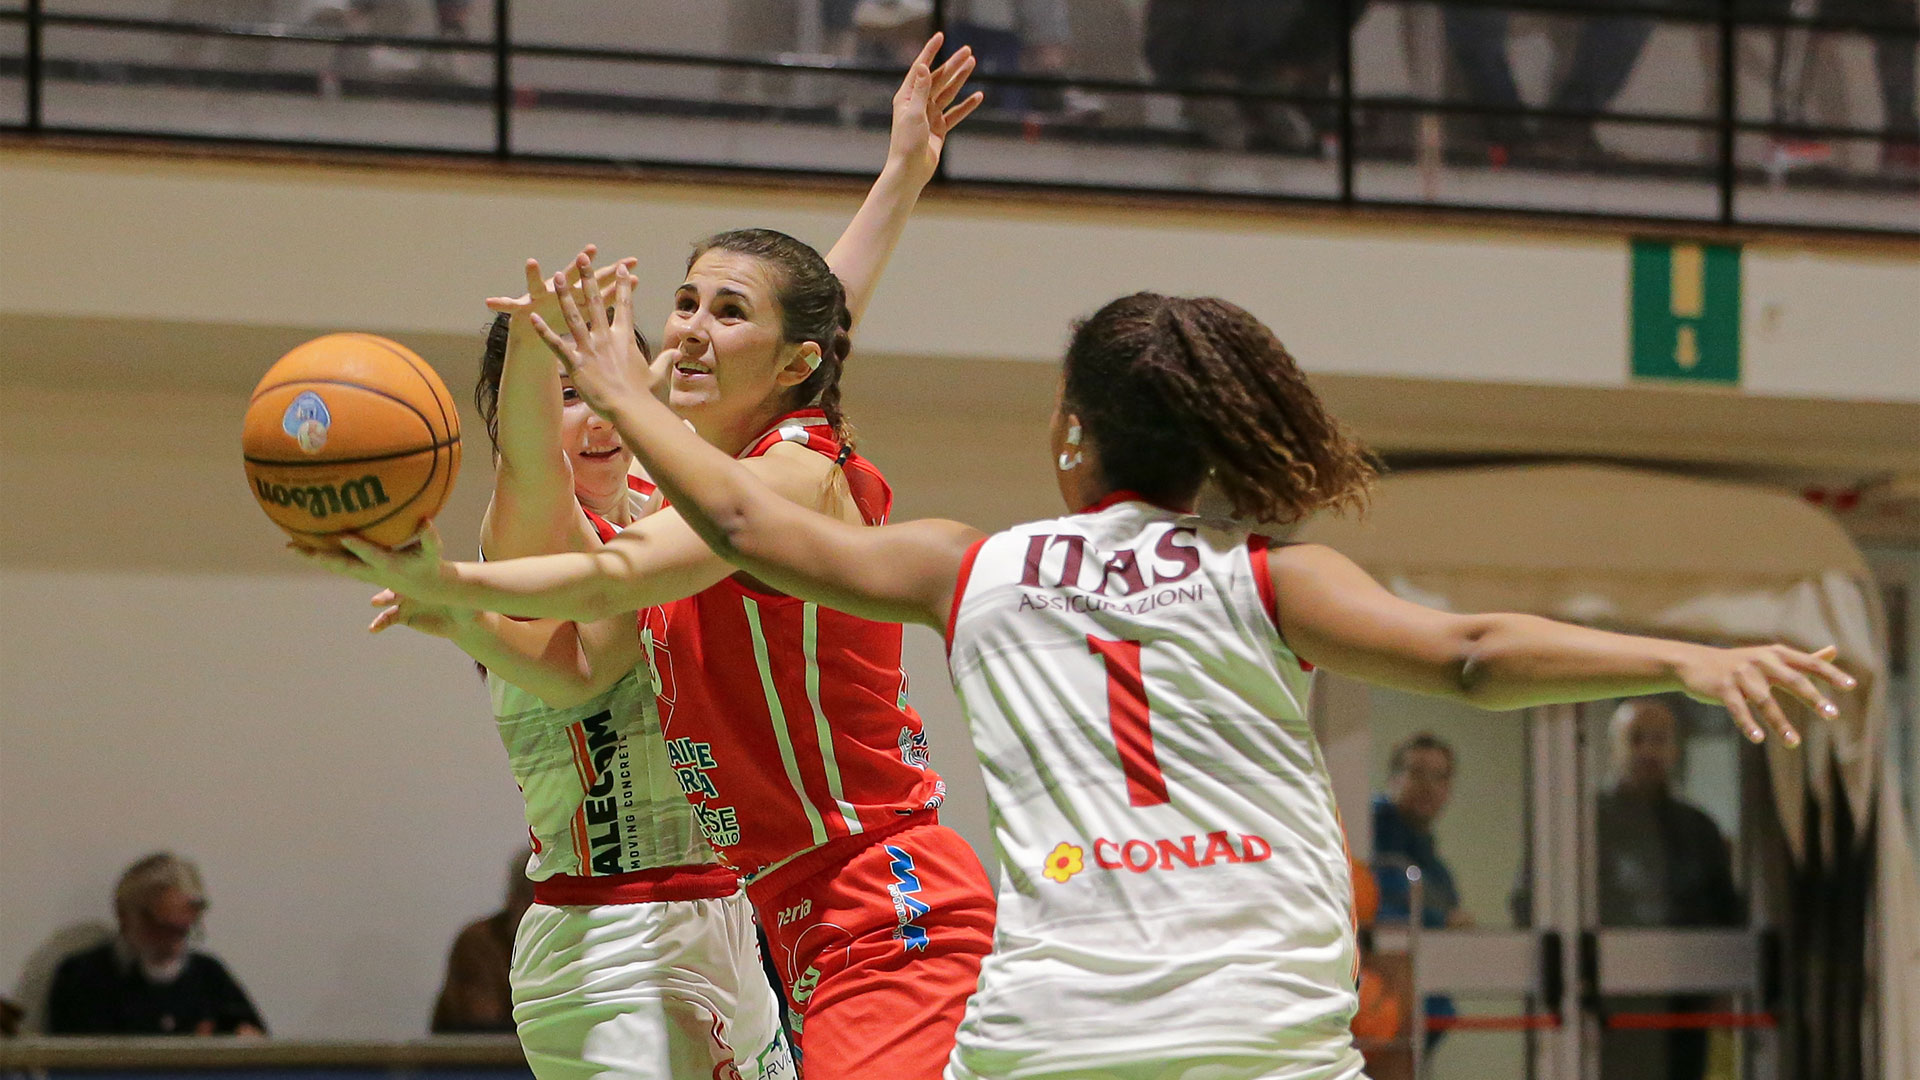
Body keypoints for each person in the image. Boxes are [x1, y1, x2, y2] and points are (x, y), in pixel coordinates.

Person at [511, 283, 1851, 1078]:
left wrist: (626, 396)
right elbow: (1475, 654)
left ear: (1071, 434)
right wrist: (1685, 655)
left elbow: (748, 531)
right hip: (1258, 1036)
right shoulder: (1270, 577)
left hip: (1053, 1041)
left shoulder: (968, 566)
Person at [309, 41, 995, 1080]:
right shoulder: (632, 501)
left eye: (718, 317)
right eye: (682, 308)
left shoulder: (760, 477)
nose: (688, 337)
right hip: (710, 917)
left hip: (860, 889)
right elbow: (576, 655)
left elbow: (798, 328)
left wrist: (450, 590)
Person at [1595, 696, 1740, 1080]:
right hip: (1605, 1012)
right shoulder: (1583, 824)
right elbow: (1533, 902)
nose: (1648, 750)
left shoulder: (1699, 830)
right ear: (1614, 747)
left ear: (1675, 750)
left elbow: (1727, 912)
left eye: (1659, 739)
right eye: (1636, 738)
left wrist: (1725, 983)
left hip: (1685, 1011)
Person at [46, 853, 266, 1037]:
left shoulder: (209, 976)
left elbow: (258, 1046)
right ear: (125, 917)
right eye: (163, 929)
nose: (175, 944)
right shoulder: (83, 977)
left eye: (184, 931)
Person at [430, 851, 537, 1034]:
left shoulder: (574, 942)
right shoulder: (479, 943)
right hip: (480, 1059)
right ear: (516, 899)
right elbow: (484, 1026)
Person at [1371, 732, 1468, 930]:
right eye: (1417, 773)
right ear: (1393, 779)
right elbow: (1366, 911)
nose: (1428, 786)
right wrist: (1440, 922)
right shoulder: (1365, 843)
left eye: (1439, 777)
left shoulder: (1439, 875)